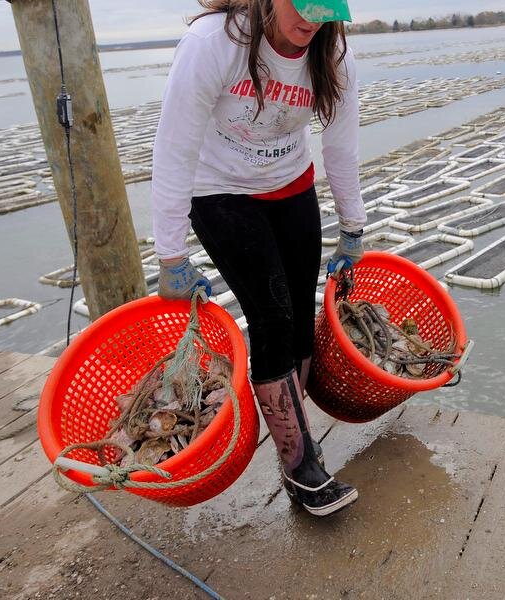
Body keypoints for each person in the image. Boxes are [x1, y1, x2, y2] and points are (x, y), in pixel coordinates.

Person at [151, 0, 365, 516]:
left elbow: (341, 146)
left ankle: (291, 429)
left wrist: (353, 229)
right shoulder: (213, 43)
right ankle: (300, 467)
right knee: (272, 319)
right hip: (218, 190)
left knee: (299, 326)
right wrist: (170, 256)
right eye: (301, 4)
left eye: (325, 9)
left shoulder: (332, 52)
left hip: (290, 184)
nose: (311, 21)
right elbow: (174, 148)